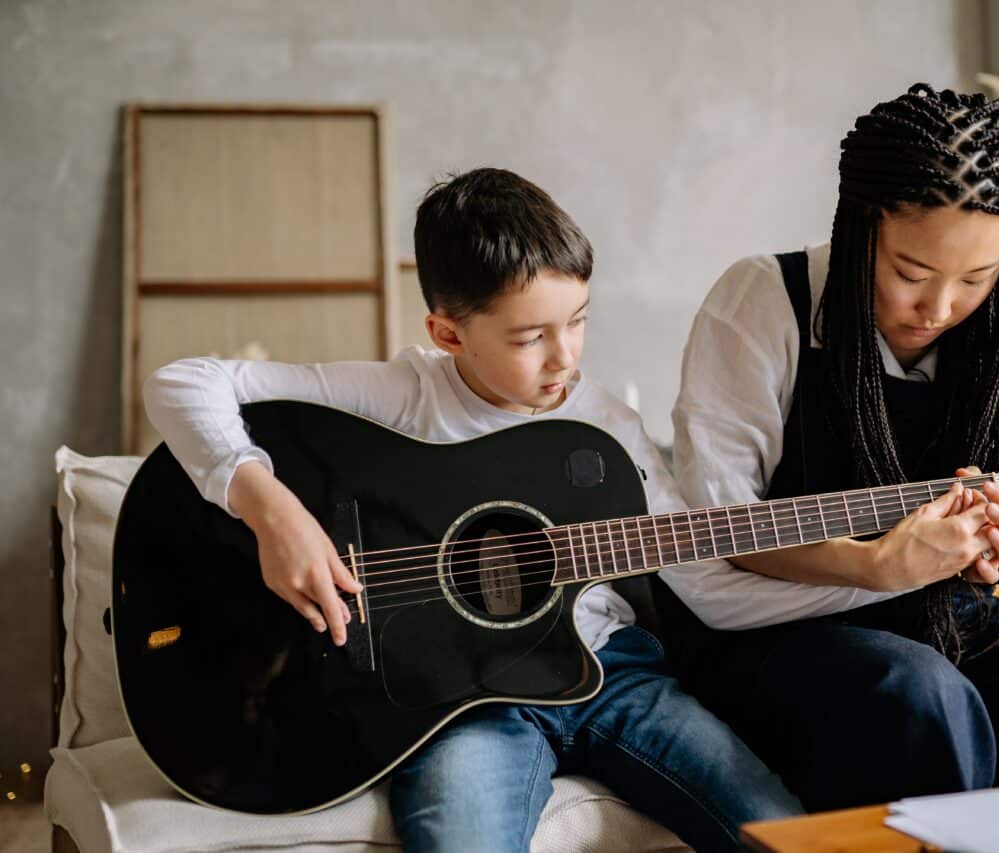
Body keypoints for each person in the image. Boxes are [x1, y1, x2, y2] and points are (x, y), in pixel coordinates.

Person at [143, 168, 801, 852]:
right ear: (448, 333)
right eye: (530, 338)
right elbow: (184, 380)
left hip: (614, 675)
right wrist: (272, 509)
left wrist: (866, 567)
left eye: (577, 321)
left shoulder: (610, 426)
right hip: (460, 706)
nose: (565, 356)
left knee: (786, 832)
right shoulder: (406, 394)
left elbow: (702, 573)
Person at [661, 83, 999, 812]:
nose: (940, 307)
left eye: (977, 279)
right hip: (774, 630)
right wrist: (875, 563)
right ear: (859, 230)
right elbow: (717, 526)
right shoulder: (762, 303)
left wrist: (998, 547)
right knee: (921, 701)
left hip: (945, 621)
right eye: (911, 274)